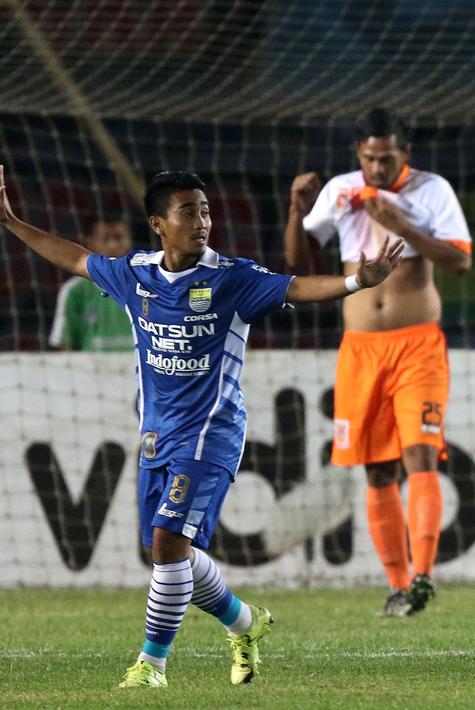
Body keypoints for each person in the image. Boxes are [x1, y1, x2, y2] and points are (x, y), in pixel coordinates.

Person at [0, 167, 402, 687]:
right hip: (155, 435)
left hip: (212, 433)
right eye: (189, 212)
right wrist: (10, 222)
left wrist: (355, 282)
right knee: (171, 552)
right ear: (158, 224)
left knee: (168, 541)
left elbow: (299, 287)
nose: (203, 221)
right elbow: (75, 257)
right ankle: (245, 621)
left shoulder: (232, 278)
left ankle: (152, 664)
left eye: (207, 211)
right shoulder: (135, 274)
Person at [283, 108, 473, 617]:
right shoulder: (342, 191)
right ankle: (397, 586)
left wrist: (400, 222)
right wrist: (296, 208)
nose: (377, 169)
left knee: (420, 455)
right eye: (369, 159)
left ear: (404, 154)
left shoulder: (432, 191)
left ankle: (423, 574)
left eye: (386, 159)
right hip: (361, 349)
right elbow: (297, 261)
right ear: (358, 155)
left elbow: (460, 261)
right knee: (376, 469)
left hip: (417, 346)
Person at [48, 216, 133, 351]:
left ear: (129, 242)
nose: (113, 245)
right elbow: (64, 347)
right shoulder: (74, 290)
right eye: (105, 239)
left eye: (118, 238)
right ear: (90, 242)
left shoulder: (146, 284)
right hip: (92, 370)